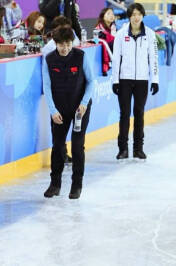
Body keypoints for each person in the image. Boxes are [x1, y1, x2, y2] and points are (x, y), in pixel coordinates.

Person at [42, 25, 94, 199]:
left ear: (72, 42)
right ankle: (55, 184)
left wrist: (84, 103)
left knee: (78, 147)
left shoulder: (81, 56)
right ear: (55, 43)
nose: (65, 48)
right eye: (61, 44)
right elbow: (47, 87)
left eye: (68, 44)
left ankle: (76, 185)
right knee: (58, 147)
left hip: (80, 108)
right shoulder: (49, 60)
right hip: (59, 110)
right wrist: (52, 110)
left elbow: (91, 82)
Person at [112, 3, 159, 160]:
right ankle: (123, 149)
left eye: (139, 14)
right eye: (133, 14)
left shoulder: (150, 34)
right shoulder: (120, 34)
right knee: (124, 114)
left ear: (143, 15)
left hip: (142, 80)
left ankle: (138, 149)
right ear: (129, 16)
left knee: (139, 114)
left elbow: (153, 58)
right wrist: (115, 80)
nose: (136, 17)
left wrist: (155, 79)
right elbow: (116, 58)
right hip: (125, 79)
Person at [95, 7, 116, 76]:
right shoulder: (98, 30)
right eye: (108, 14)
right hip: (102, 59)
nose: (111, 16)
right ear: (103, 16)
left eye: (112, 14)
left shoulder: (114, 28)